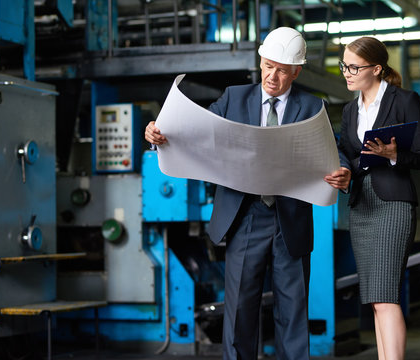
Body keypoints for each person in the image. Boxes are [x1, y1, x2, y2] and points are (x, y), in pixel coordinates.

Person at [146, 27, 344, 360]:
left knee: (293, 310)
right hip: (245, 216)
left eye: (282, 70)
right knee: (239, 309)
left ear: (296, 71)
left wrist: (343, 169)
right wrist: (157, 135)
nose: (272, 76)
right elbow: (197, 132)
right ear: (261, 61)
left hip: (290, 220)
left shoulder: (312, 107)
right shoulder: (233, 98)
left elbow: (332, 152)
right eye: (268, 66)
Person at [324, 36, 420, 360]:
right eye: (344, 65)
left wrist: (393, 153)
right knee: (375, 299)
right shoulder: (348, 111)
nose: (346, 72)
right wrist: (344, 172)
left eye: (353, 67)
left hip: (393, 205)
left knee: (386, 297)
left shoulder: (404, 100)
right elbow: (346, 154)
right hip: (362, 207)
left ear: (376, 68)